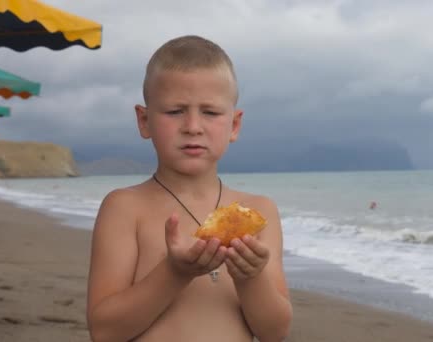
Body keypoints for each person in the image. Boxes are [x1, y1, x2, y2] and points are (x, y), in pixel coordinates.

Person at [86, 35, 292, 341]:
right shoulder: (125, 208)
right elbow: (104, 331)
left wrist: (251, 279)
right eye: (174, 111)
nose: (193, 126)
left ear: (234, 125)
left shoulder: (259, 211)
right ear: (144, 121)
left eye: (210, 112)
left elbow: (274, 332)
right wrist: (174, 273)